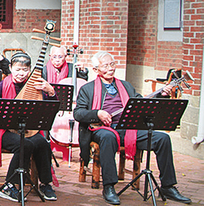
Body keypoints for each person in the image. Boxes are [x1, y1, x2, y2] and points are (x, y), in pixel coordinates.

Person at [74, 52, 190, 205]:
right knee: (108, 138)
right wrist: (97, 113)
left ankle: (168, 186)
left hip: (127, 128)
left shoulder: (126, 86)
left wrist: (161, 95)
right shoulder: (87, 89)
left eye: (112, 64)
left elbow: (143, 105)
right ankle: (109, 187)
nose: (111, 68)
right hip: (102, 129)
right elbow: (78, 113)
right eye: (105, 66)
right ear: (96, 70)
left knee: (163, 139)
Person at [0, 52, 58, 202]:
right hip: (4, 131)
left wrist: (51, 91)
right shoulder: (1, 87)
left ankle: (45, 184)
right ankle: (9, 186)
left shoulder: (36, 86)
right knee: (25, 144)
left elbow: (52, 108)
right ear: (10, 68)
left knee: (43, 143)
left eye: (25, 70)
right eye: (18, 69)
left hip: (29, 129)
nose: (21, 73)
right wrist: (7, 118)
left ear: (30, 69)